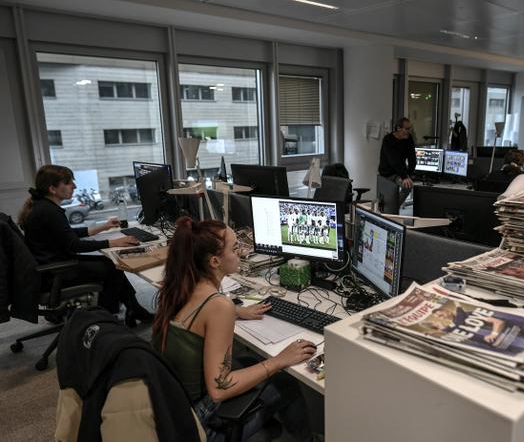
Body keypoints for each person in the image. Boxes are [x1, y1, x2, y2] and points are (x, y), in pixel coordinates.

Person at [153, 217, 316, 441]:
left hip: (173, 406)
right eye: (235, 247)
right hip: (198, 424)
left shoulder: (180, 285)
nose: (242, 251)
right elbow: (219, 389)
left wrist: (236, 311)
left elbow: (199, 317)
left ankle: (265, 425)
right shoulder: (218, 306)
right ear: (214, 261)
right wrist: (279, 361)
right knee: (285, 382)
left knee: (248, 362)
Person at [19, 165, 152, 325]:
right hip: (56, 272)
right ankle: (104, 318)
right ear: (53, 189)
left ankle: (133, 309)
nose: (74, 186)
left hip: (51, 265)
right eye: (68, 183)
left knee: (111, 265)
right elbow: (75, 245)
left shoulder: (42, 206)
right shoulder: (49, 212)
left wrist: (102, 227)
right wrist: (113, 242)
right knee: (112, 267)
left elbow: (66, 233)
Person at [378, 117, 416, 207]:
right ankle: (390, 208)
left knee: (408, 186)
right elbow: (394, 160)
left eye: (410, 128)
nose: (409, 131)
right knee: (386, 198)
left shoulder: (409, 138)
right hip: (387, 173)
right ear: (398, 128)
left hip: (399, 172)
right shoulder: (388, 139)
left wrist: (409, 175)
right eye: (407, 129)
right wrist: (404, 177)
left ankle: (393, 207)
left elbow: (412, 158)